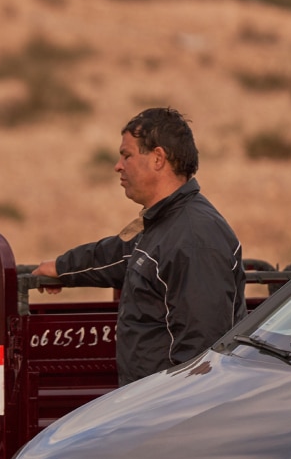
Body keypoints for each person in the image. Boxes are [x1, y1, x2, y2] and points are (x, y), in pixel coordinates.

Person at [34, 107, 245, 385]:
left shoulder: (194, 239)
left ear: (158, 158)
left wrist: (169, 414)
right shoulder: (166, 223)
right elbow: (119, 254)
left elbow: (202, 356)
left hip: (170, 411)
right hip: (147, 406)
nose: (118, 166)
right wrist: (61, 268)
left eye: (127, 155)